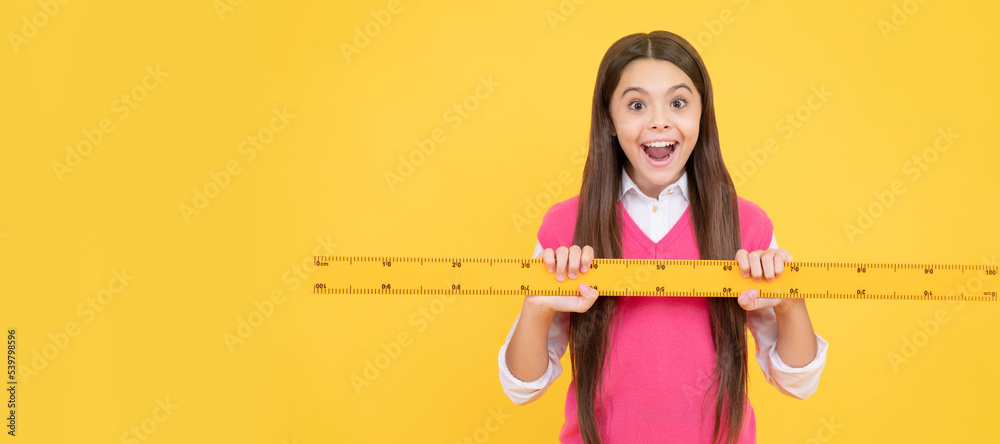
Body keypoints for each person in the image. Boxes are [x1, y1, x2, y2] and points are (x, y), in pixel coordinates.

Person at [497, 31, 829, 444]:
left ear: (702, 115)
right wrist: (537, 308)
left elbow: (797, 382)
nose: (659, 120)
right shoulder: (567, 225)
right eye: (637, 105)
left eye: (678, 102)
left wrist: (790, 300)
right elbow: (522, 387)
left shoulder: (747, 224)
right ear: (610, 122)